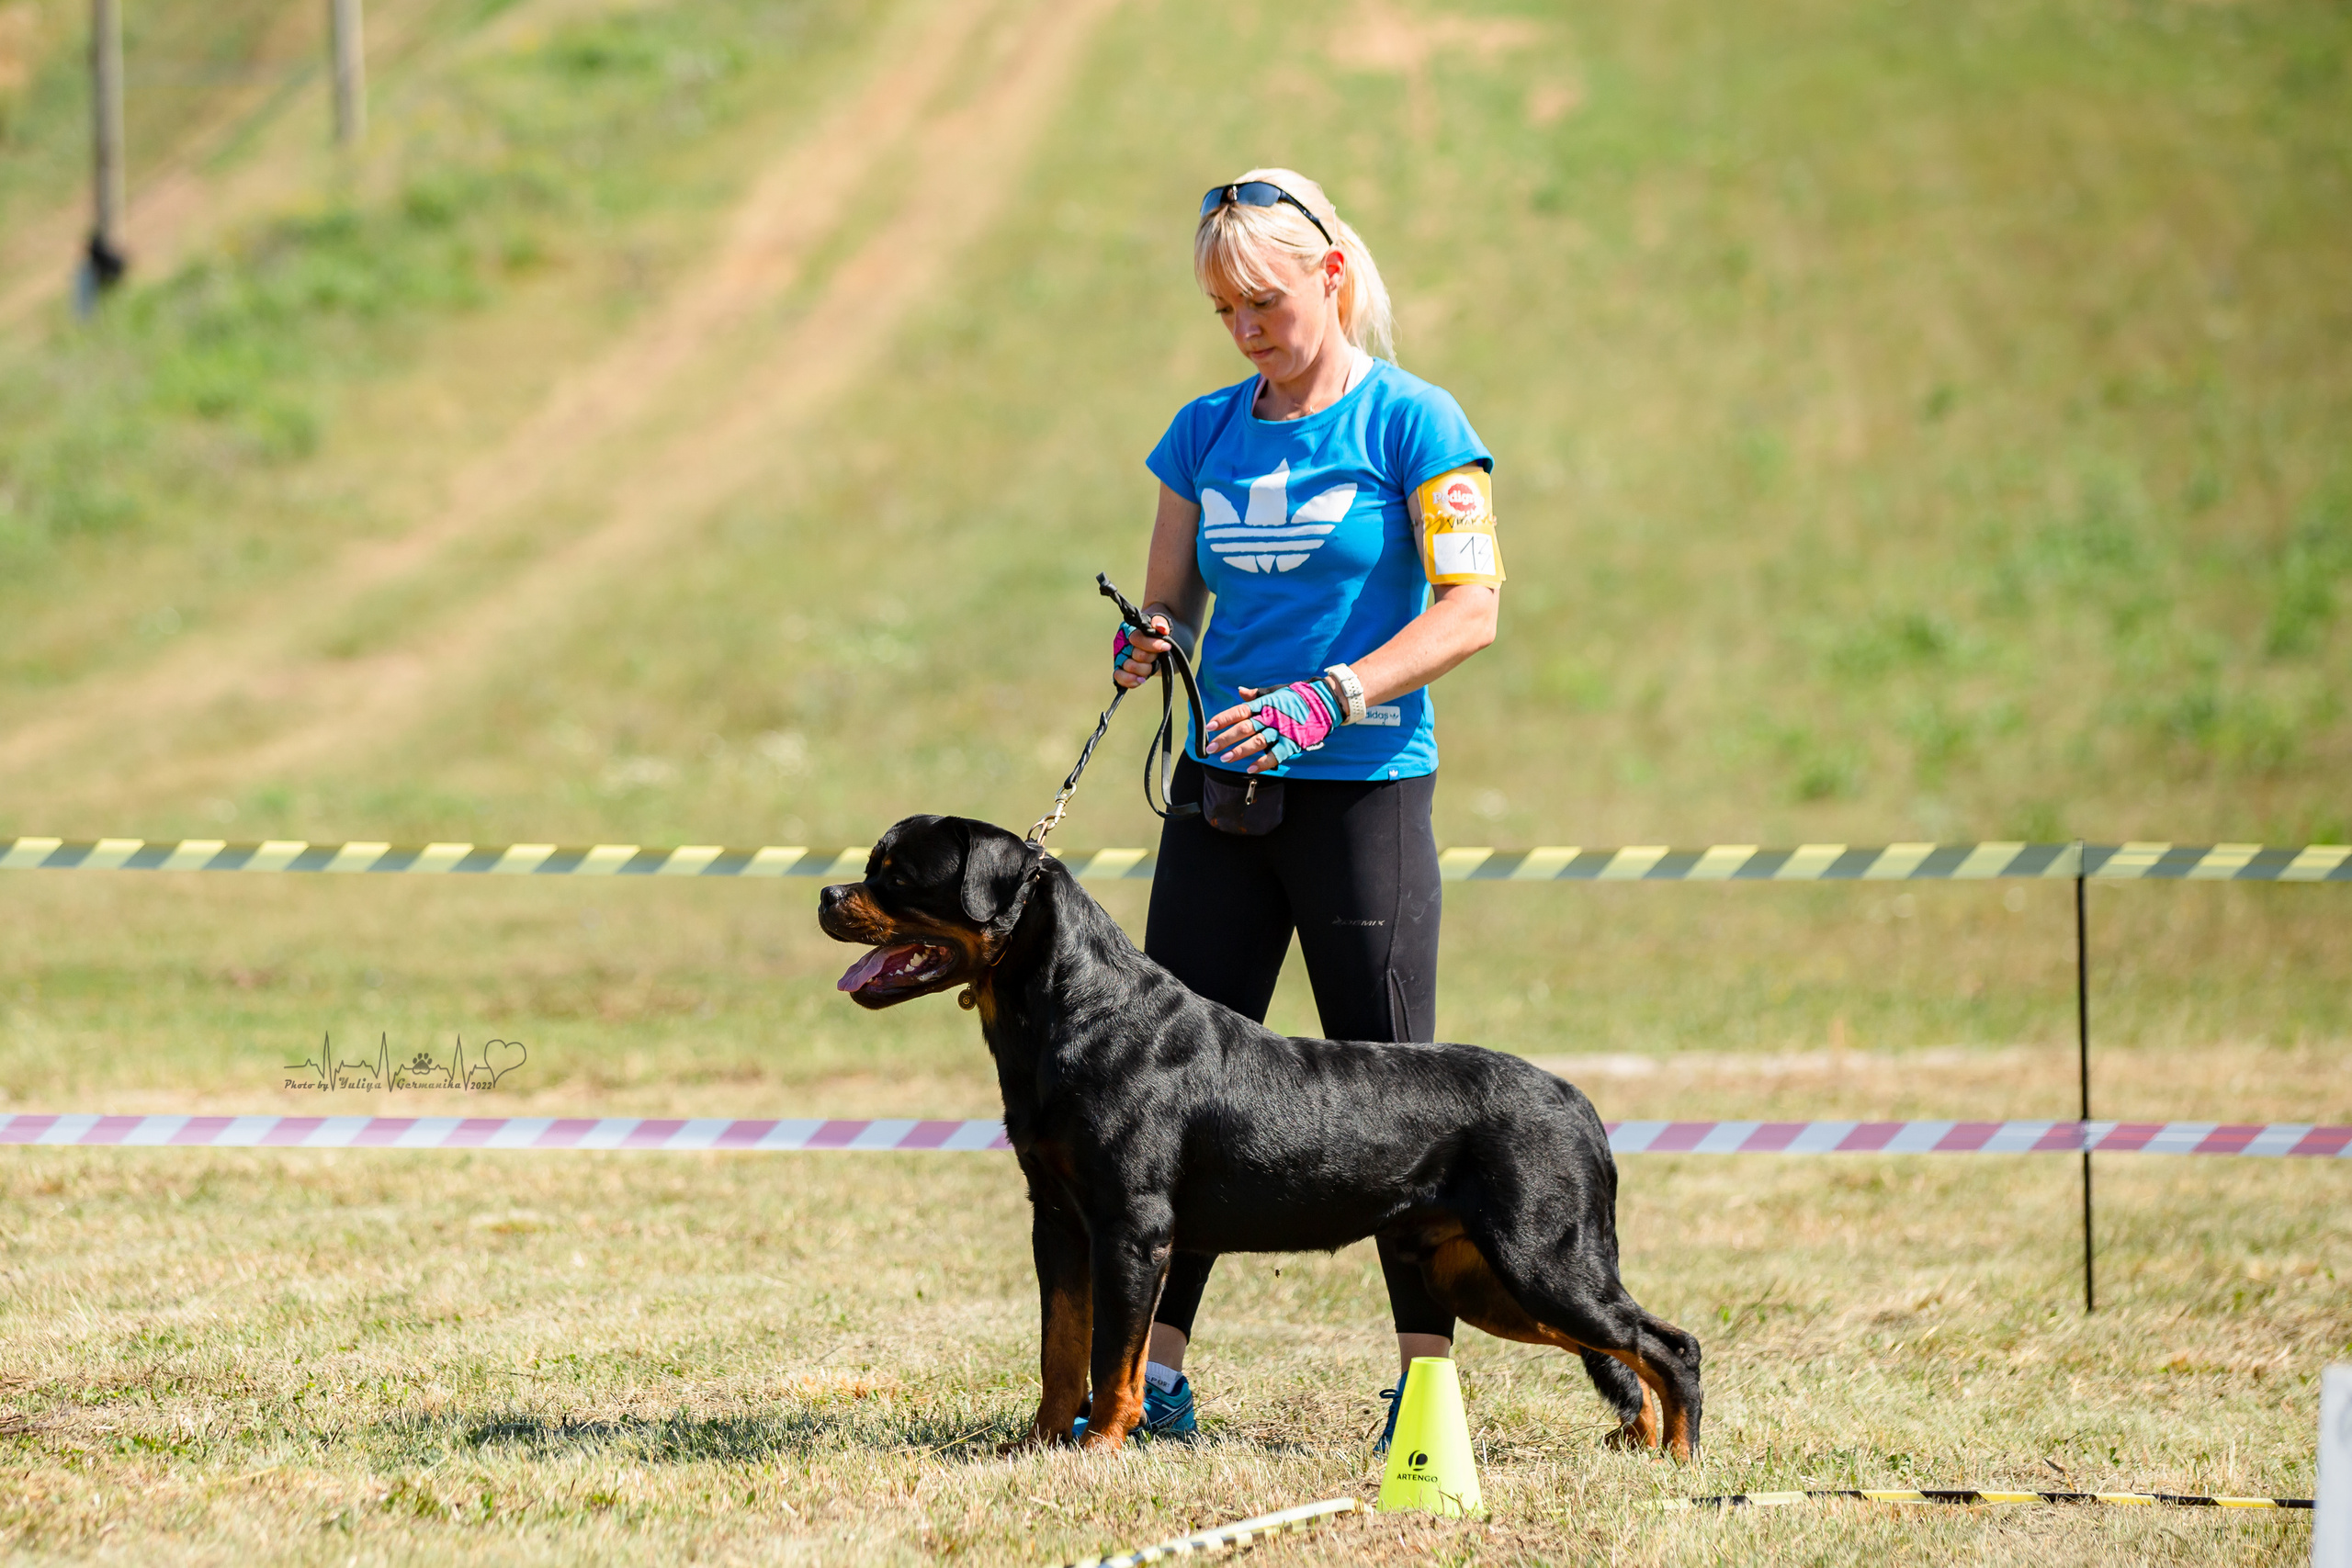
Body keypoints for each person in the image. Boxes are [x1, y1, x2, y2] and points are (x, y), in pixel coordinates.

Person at [1107, 168, 1507, 1450]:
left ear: (1330, 276)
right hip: (1223, 797)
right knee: (1173, 1092)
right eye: (1225, 310)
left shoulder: (1417, 423)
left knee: (1397, 1098)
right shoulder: (1204, 433)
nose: (1246, 330)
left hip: (1367, 794)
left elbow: (1471, 608)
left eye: (1265, 301)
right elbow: (1178, 603)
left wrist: (1334, 694)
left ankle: (1424, 1386)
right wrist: (1150, 640)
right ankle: (1151, 1375)